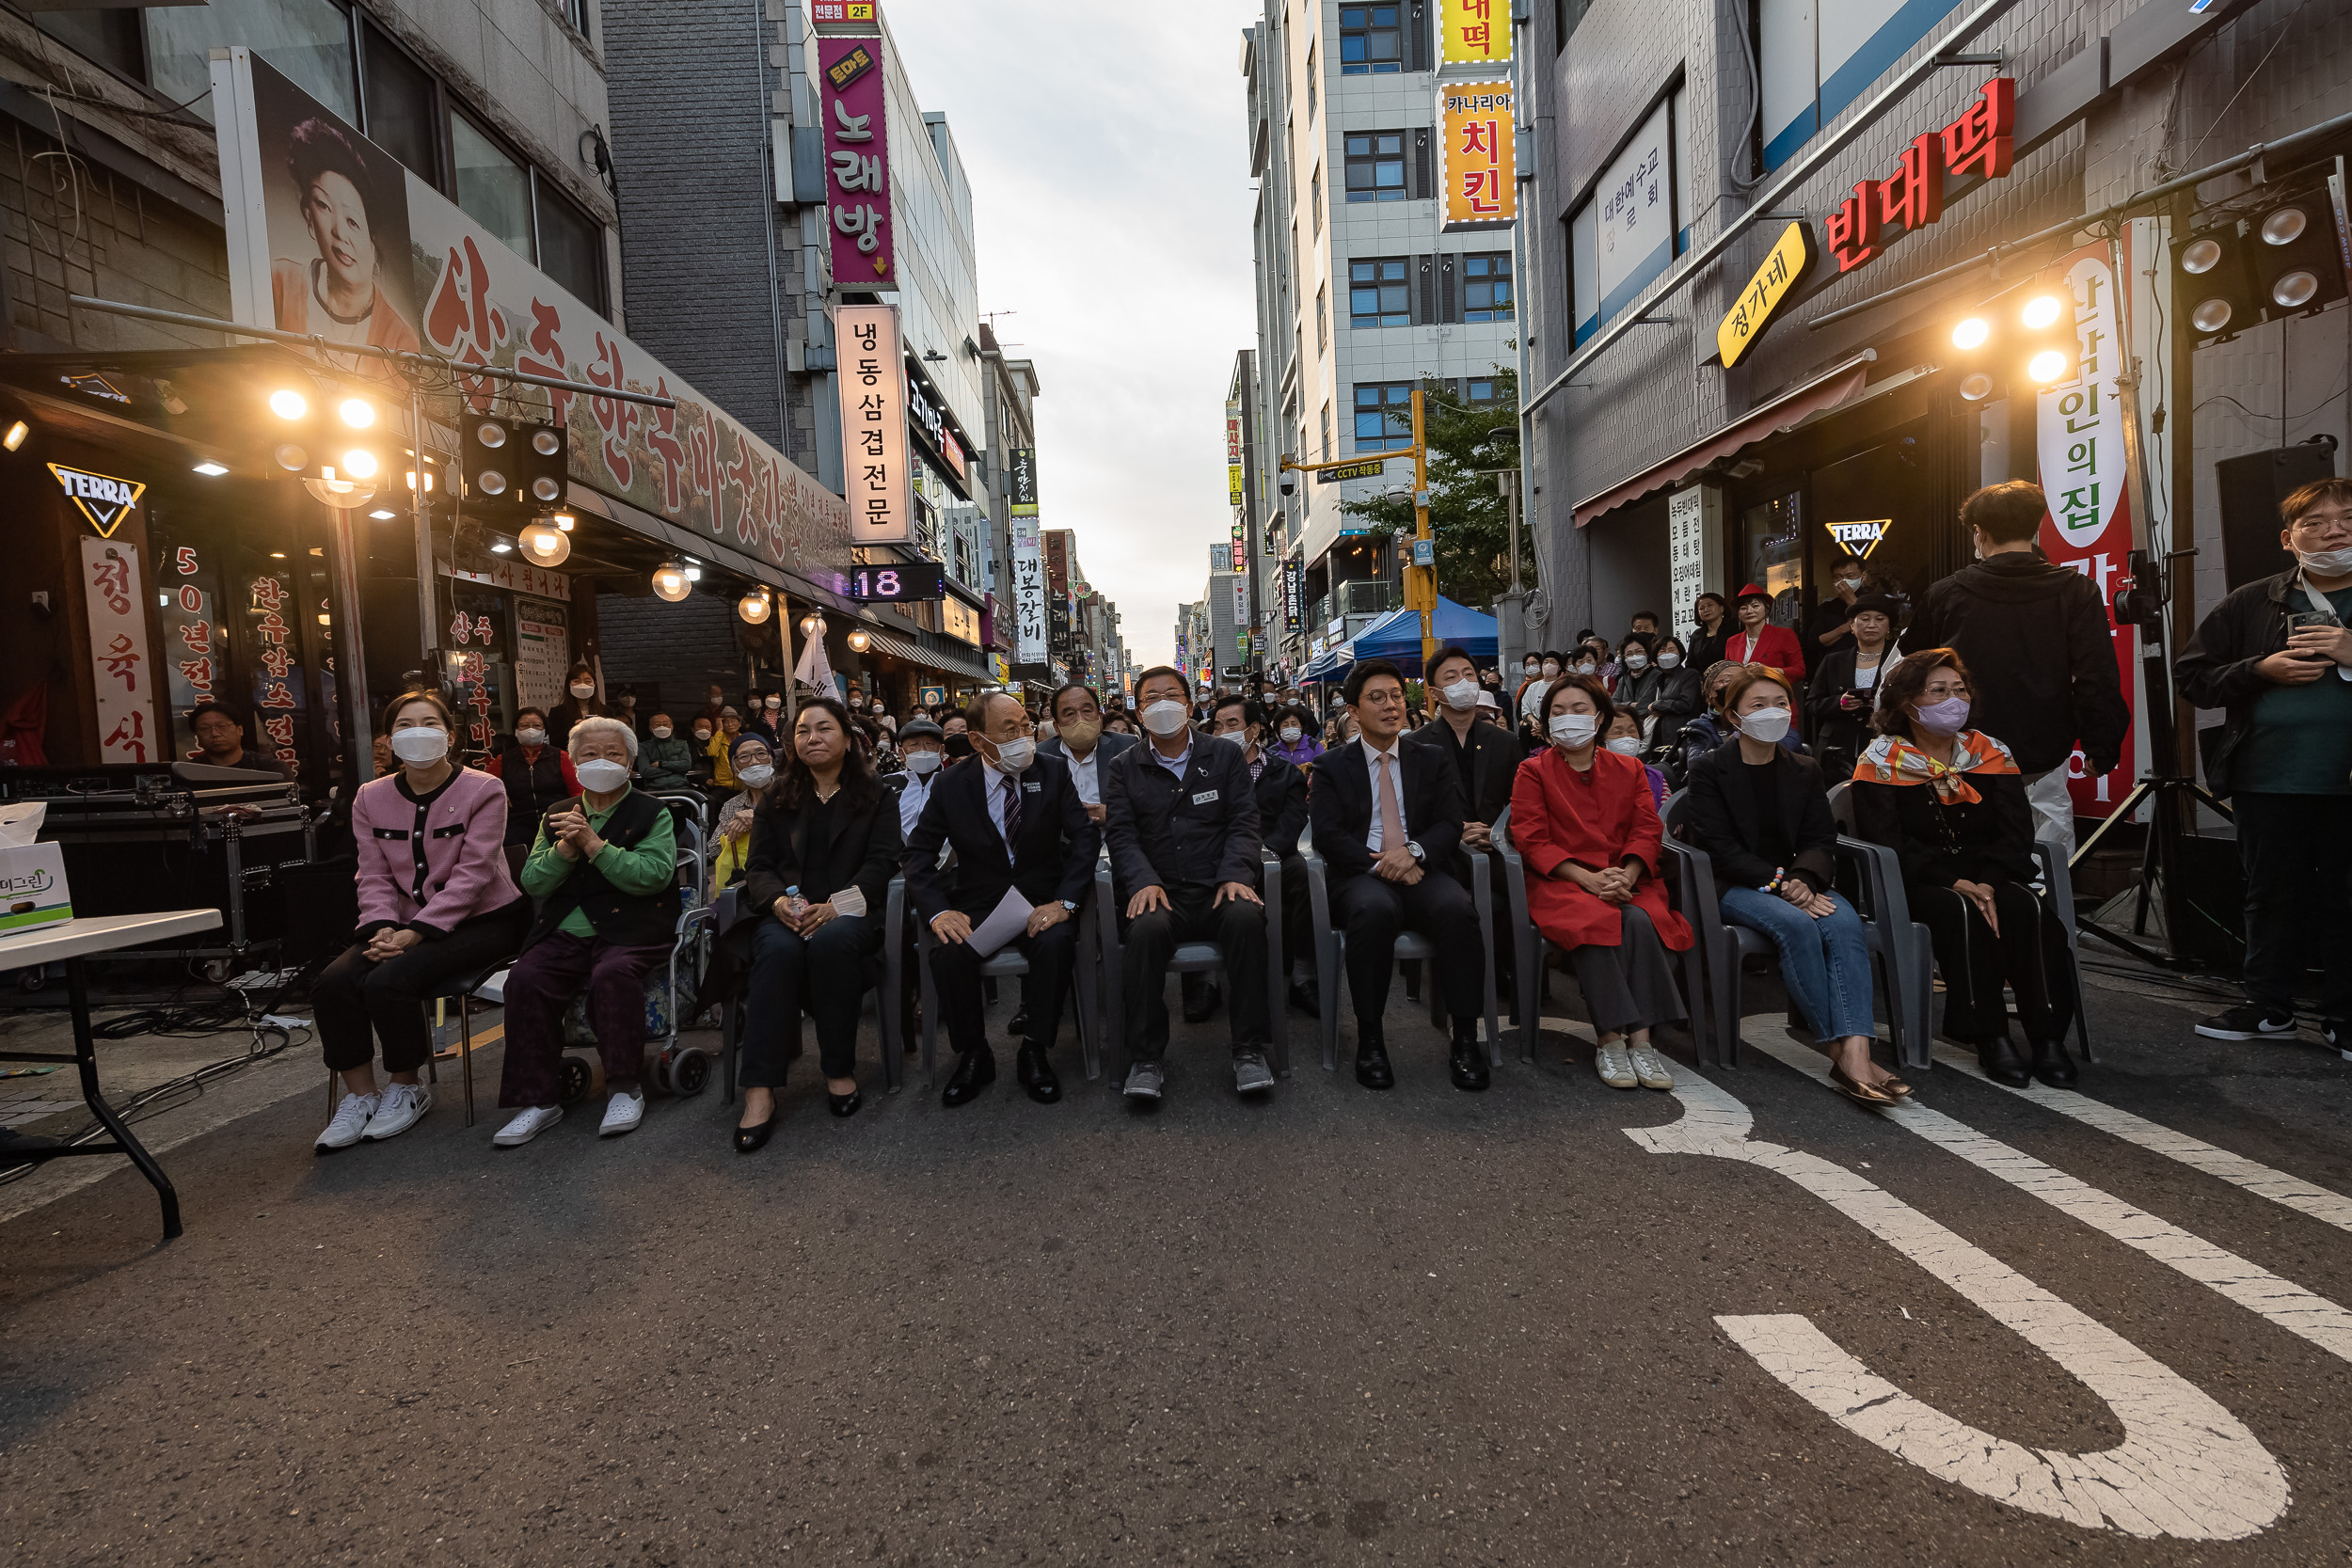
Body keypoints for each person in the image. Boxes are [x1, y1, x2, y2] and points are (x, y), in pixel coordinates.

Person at [2175, 476, 2352, 1047]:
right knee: (2269, 892)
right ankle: (2268, 1006)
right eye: (2315, 523)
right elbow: (2192, 677)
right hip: (2269, 774)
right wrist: (2259, 670)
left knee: (2346, 897)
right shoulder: (2255, 599)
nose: (2333, 531)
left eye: (2346, 518)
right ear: (2287, 538)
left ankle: (2344, 1018)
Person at [311, 689, 529, 1150]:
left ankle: (406, 1086)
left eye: (429, 723)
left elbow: (474, 874)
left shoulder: (484, 789)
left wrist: (415, 934)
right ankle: (361, 1096)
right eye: (405, 725)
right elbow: (371, 872)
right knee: (332, 983)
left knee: (387, 981)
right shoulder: (370, 797)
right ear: (389, 740)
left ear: (449, 737)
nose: (418, 733)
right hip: (400, 925)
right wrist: (381, 927)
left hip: (484, 920)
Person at [1851, 648, 2076, 1087]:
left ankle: (2048, 1036)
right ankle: (1989, 1035)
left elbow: (2015, 832)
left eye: (1959, 689)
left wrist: (1988, 881)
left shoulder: (1989, 752)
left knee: (2028, 911)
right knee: (1960, 913)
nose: (1953, 698)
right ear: (1905, 702)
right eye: (1937, 690)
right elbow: (1888, 842)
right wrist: (1955, 881)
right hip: (1921, 879)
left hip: (1991, 872)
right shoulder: (1880, 760)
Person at [1685, 667, 1908, 1104]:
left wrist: (1803, 878)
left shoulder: (1804, 767)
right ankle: (1836, 1048)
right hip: (1737, 883)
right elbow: (1717, 845)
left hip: (1800, 880)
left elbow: (1820, 838)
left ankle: (1856, 1054)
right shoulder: (1709, 769)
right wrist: (1779, 883)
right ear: (1733, 716)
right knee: (1799, 926)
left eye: (1781, 703)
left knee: (1845, 927)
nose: (1774, 712)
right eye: (1758, 705)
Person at [1901, 481, 2128, 857]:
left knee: (1972, 842)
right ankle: (2049, 909)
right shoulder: (2077, 590)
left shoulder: (1946, 593)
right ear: (2036, 528)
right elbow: (2096, 674)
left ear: (1980, 532)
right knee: (2049, 839)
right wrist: (2101, 744)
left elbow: (1912, 667)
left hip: (1963, 744)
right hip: (2045, 743)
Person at [492, 717, 683, 1146]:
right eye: (590, 754)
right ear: (574, 762)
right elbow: (535, 882)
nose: (602, 761)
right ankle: (537, 1099)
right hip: (565, 929)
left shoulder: (654, 813)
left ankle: (624, 1086)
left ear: (631, 762)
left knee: (611, 975)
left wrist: (595, 846)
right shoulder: (557, 814)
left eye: (613, 754)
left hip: (634, 927)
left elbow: (654, 875)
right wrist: (564, 849)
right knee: (525, 978)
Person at [904, 690, 1100, 1108]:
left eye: (1026, 726)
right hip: (978, 902)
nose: (1023, 737)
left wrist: (1065, 902)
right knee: (948, 952)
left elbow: (1084, 838)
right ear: (978, 741)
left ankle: (1035, 1048)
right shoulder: (951, 784)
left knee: (1055, 943)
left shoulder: (1051, 771)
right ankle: (974, 1053)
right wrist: (938, 911)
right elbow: (918, 853)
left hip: (1041, 899)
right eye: (1009, 730)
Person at [726, 698, 902, 1149]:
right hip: (787, 911)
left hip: (852, 910)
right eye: (803, 732)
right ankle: (760, 1088)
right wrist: (777, 905)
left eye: (824, 729)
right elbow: (760, 867)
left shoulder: (877, 794)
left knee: (833, 942)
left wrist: (837, 905)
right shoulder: (778, 796)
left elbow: (882, 862)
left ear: (847, 737)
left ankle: (838, 1068)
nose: (813, 739)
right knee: (777, 950)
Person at [1307, 658, 1486, 1092]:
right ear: (1353, 711)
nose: (1391, 707)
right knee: (1372, 910)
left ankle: (1464, 1038)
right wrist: (1381, 864)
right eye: (1377, 698)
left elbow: (1449, 822)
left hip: (1420, 865)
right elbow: (1328, 836)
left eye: (1395, 697)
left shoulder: (1430, 758)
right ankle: (1371, 1038)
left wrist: (1413, 853)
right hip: (1361, 872)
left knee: (1458, 909)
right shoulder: (1332, 765)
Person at [1512, 673, 1692, 1090]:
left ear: (1599, 719)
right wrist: (1588, 880)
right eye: (1557, 712)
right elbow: (1530, 838)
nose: (1568, 719)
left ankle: (1643, 1041)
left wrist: (1627, 874)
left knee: (1640, 921)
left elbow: (1647, 830)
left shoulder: (1630, 769)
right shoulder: (1532, 770)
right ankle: (1611, 1039)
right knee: (1594, 922)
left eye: (1578, 710)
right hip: (1561, 881)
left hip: (1627, 878)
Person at [1104, 669, 1273, 1100]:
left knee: (1247, 920)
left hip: (1219, 884)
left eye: (1172, 695)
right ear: (1139, 712)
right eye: (1152, 698)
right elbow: (1121, 833)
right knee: (1142, 931)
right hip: (1162, 889)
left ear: (1189, 704)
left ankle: (1249, 1049)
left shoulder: (1224, 756)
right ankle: (1145, 1058)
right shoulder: (1125, 766)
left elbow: (1244, 821)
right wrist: (1141, 880)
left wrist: (1236, 872)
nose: (1164, 704)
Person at [1410, 645, 1520, 1001]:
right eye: (1452, 677)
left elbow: (1519, 801)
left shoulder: (1505, 741)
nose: (1464, 682)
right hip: (1443, 854)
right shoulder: (1414, 746)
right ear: (1435, 693)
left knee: (1521, 888)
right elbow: (1412, 811)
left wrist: (1498, 833)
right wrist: (1455, 832)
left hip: (1497, 845)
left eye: (1470, 675)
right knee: (1457, 902)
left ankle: (1516, 972)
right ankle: (1464, 985)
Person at [270, 117, 421, 357]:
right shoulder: (278, 283)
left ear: (373, 245)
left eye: (352, 221)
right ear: (309, 217)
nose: (339, 232)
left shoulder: (400, 339)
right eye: (324, 206)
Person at [1209, 692, 1315, 1014]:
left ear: (1253, 729)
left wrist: (1266, 851)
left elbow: (1294, 819)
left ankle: (1303, 974)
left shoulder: (1283, 772)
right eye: (1217, 726)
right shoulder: (1202, 772)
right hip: (1221, 858)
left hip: (1273, 854)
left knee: (1308, 875)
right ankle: (1206, 980)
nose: (1223, 731)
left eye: (1232, 724)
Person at [1808, 594, 1901, 779]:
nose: (1872, 624)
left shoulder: (1900, 660)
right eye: (1864, 619)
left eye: (1880, 619)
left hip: (1886, 742)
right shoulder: (1834, 660)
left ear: (1889, 626)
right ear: (1852, 625)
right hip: (1838, 744)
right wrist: (1838, 704)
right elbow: (1812, 703)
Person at [484, 705, 579, 874]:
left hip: (555, 822)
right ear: (515, 730)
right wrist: (499, 791)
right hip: (518, 825)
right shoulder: (503, 760)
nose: (530, 730)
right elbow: (483, 786)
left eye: (537, 726)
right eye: (524, 726)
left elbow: (577, 792)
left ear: (545, 730)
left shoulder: (561, 757)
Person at [1037, 682, 1137, 827]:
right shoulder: (1041, 756)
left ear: (1100, 718)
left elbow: (1146, 802)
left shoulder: (1125, 747)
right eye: (1070, 714)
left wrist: (1111, 813)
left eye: (1087, 711)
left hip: (1113, 841)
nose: (1080, 719)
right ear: (1057, 727)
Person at [710, 732, 778, 891]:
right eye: (744, 757)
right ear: (734, 769)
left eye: (761, 753)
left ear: (771, 760)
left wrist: (759, 823)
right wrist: (732, 830)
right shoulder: (732, 805)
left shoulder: (790, 794)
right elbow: (713, 850)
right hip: (746, 883)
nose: (754, 761)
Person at [185, 701, 290, 777]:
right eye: (204, 728)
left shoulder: (271, 769)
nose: (214, 733)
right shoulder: (187, 773)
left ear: (240, 730)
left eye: (222, 726)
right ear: (197, 736)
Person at [1724, 585, 1805, 678]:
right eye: (1743, 608)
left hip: (1773, 690)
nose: (1749, 611)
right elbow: (1729, 672)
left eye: (1755, 606)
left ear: (1766, 609)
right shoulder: (1732, 641)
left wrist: (1769, 671)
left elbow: (1800, 671)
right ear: (1738, 614)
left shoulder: (1784, 635)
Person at [1808, 560, 1876, 668]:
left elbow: (1875, 626)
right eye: (1838, 577)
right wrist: (1844, 629)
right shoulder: (1826, 608)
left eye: (1850, 576)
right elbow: (1814, 642)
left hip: (1869, 664)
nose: (1844, 581)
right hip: (1835, 667)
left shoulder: (1875, 602)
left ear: (1863, 577)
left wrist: (1851, 599)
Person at [1603, 711, 1667, 807]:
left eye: (1632, 731)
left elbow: (1666, 814)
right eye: (1618, 732)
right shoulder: (1593, 777)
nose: (1627, 736)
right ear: (1601, 740)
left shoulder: (1655, 777)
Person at [1646, 637, 1703, 743]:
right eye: (1662, 651)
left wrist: (1658, 704)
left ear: (1680, 653)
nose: (1667, 654)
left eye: (1671, 650)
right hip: (1660, 735)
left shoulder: (1689, 675)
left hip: (1682, 736)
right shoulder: (1658, 678)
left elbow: (1686, 704)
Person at [1611, 635, 1664, 743]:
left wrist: (1623, 705)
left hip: (1649, 731)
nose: (1634, 656)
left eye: (1638, 652)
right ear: (1624, 658)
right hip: (1625, 731)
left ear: (1647, 654)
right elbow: (1613, 703)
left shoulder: (1657, 676)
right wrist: (1630, 704)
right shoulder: (1624, 678)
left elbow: (1645, 706)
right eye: (1629, 654)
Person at [634, 712, 702, 794]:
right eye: (657, 724)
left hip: (681, 788)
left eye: (665, 724)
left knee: (708, 800)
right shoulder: (644, 747)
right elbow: (645, 771)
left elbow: (686, 765)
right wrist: (676, 769)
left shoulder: (682, 744)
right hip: (654, 790)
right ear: (651, 728)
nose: (662, 727)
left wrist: (660, 764)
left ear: (672, 727)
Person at [548, 663, 604, 750]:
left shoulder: (606, 711)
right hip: (570, 759)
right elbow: (554, 742)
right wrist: (574, 729)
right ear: (569, 685)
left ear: (594, 684)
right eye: (577, 681)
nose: (582, 685)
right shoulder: (557, 712)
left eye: (587, 681)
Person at [1266, 704, 1323, 768]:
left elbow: (1324, 770)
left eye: (1294, 724)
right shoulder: (1273, 752)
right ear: (1279, 730)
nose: (1290, 727)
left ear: (1301, 727)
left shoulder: (1314, 746)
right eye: (1285, 725)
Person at [1687, 593, 1731, 673]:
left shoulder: (1734, 630)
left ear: (1721, 608)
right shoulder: (1696, 635)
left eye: (1710, 605)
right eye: (1701, 608)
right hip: (1702, 682)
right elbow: (1690, 664)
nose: (1706, 610)